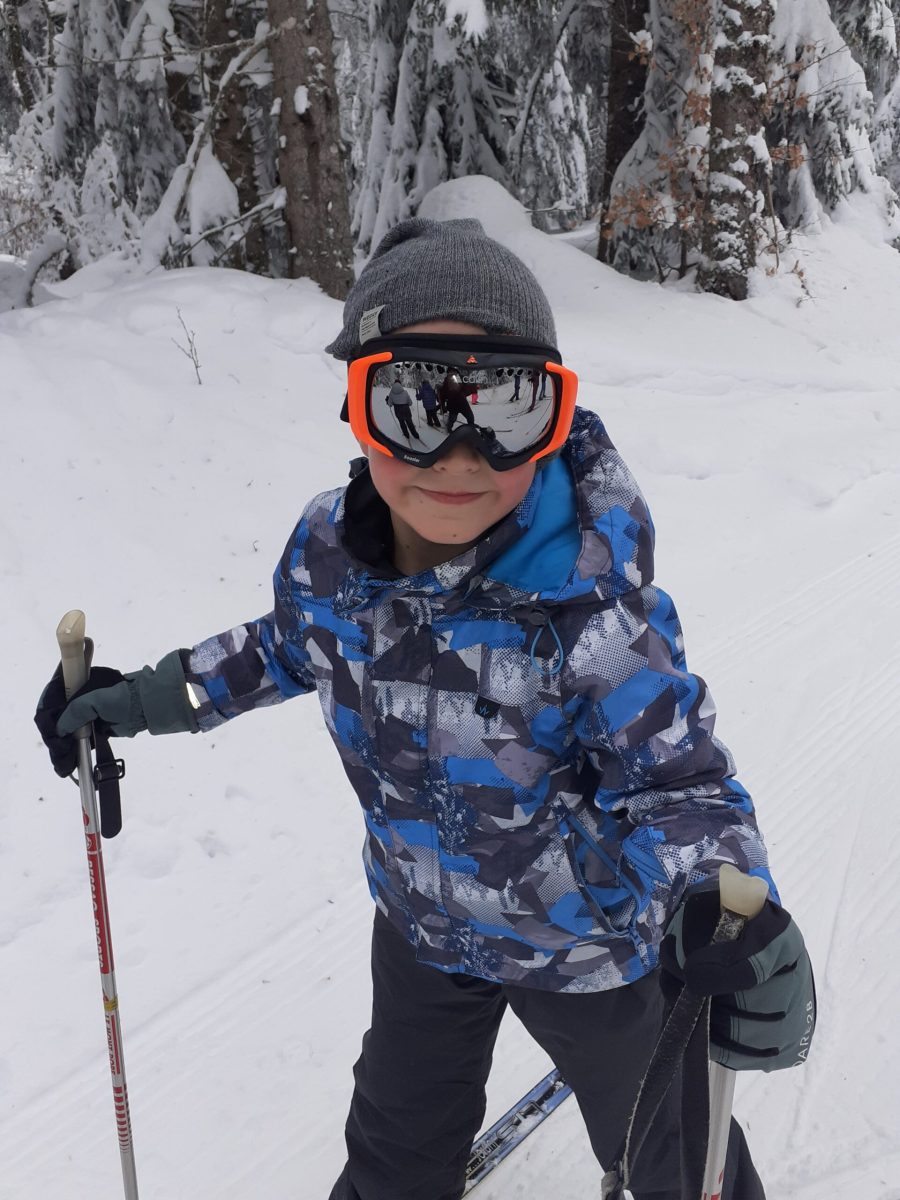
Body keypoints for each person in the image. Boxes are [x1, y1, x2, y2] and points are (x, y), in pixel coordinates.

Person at [36, 217, 815, 1200]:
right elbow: (285, 644)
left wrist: (722, 902)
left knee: (676, 1156)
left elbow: (680, 785)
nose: (459, 455)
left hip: (586, 949)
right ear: (358, 411)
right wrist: (154, 696)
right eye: (412, 404)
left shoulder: (587, 604)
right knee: (394, 1157)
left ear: (555, 419)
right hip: (424, 929)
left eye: (507, 406)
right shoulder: (329, 556)